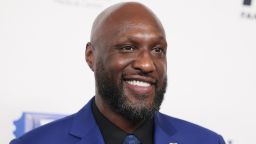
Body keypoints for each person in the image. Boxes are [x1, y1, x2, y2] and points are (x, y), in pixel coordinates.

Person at [10, 2, 225, 144]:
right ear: (91, 55)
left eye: (158, 50)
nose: (147, 64)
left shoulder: (206, 141)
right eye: (128, 48)